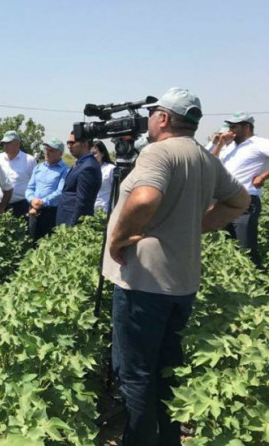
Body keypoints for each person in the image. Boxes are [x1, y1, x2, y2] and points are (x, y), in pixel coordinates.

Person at [102, 87, 249, 446]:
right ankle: (168, 439)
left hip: (143, 284)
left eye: (154, 114)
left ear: (164, 118)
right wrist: (195, 225)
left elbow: (145, 197)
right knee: (167, 370)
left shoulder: (159, 152)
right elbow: (240, 200)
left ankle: (138, 440)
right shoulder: (204, 157)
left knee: (136, 373)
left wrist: (120, 237)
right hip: (182, 284)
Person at [210, 112, 269, 268]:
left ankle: (261, 287)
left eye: (234, 126)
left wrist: (263, 177)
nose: (231, 130)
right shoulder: (230, 148)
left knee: (247, 251)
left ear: (247, 127)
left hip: (246, 202)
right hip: (224, 203)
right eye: (230, 126)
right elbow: (210, 164)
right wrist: (220, 144)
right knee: (228, 250)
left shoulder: (259, 143)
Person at [25, 138, 69, 241]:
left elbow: (59, 192)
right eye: (46, 149)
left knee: (48, 242)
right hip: (33, 210)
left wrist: (42, 202)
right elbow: (30, 188)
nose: (47, 153)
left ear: (60, 153)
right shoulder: (38, 168)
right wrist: (32, 200)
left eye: (51, 151)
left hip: (50, 213)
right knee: (32, 240)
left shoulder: (65, 170)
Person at [55, 132, 102, 227]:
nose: (69, 146)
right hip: (65, 219)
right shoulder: (80, 163)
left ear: (85, 143)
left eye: (72, 143)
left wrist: (72, 228)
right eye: (68, 143)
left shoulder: (88, 167)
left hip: (72, 224)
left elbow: (82, 203)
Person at [0, 130, 37, 218]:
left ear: (17, 144)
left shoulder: (29, 160)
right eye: (4, 143)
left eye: (8, 143)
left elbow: (36, 183)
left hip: (20, 206)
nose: (5, 145)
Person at [91, 140, 116, 212]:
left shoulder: (110, 169)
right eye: (90, 154)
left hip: (105, 211)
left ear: (102, 153)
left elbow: (115, 192)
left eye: (94, 153)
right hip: (89, 211)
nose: (92, 156)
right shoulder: (87, 169)